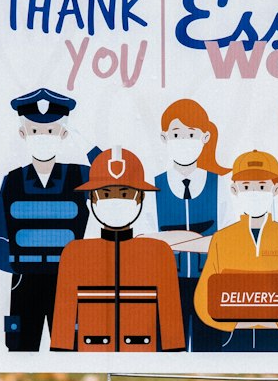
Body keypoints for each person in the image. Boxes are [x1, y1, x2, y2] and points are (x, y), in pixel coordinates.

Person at [0, 90, 90, 351]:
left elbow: (112, 174)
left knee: (70, 350)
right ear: (23, 135)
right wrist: (16, 266)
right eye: (35, 132)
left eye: (51, 132)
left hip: (66, 280)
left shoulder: (81, 176)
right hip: (24, 280)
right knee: (21, 348)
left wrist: (87, 144)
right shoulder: (13, 181)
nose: (43, 138)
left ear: (63, 135)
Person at [50, 147, 184, 353]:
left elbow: (170, 316)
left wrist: (173, 354)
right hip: (90, 354)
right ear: (93, 200)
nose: (115, 201)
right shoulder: (75, 253)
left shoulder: (159, 252)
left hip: (144, 355)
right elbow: (64, 317)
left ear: (140, 199)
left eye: (124, 193)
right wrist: (61, 355)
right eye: (105, 194)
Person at [194, 150, 278, 353]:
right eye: (246, 186)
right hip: (231, 338)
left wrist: (277, 325)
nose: (254, 192)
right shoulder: (222, 239)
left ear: (276, 189)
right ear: (234, 189)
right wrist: (234, 324)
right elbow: (203, 298)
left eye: (262, 186)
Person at [151, 98, 230, 350]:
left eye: (191, 134)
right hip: (166, 287)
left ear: (205, 137)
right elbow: (147, 242)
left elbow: (224, 240)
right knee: (167, 352)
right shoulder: (153, 187)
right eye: (176, 134)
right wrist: (201, 239)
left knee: (211, 352)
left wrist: (171, 240)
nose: (184, 141)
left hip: (211, 284)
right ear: (164, 138)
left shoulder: (221, 187)